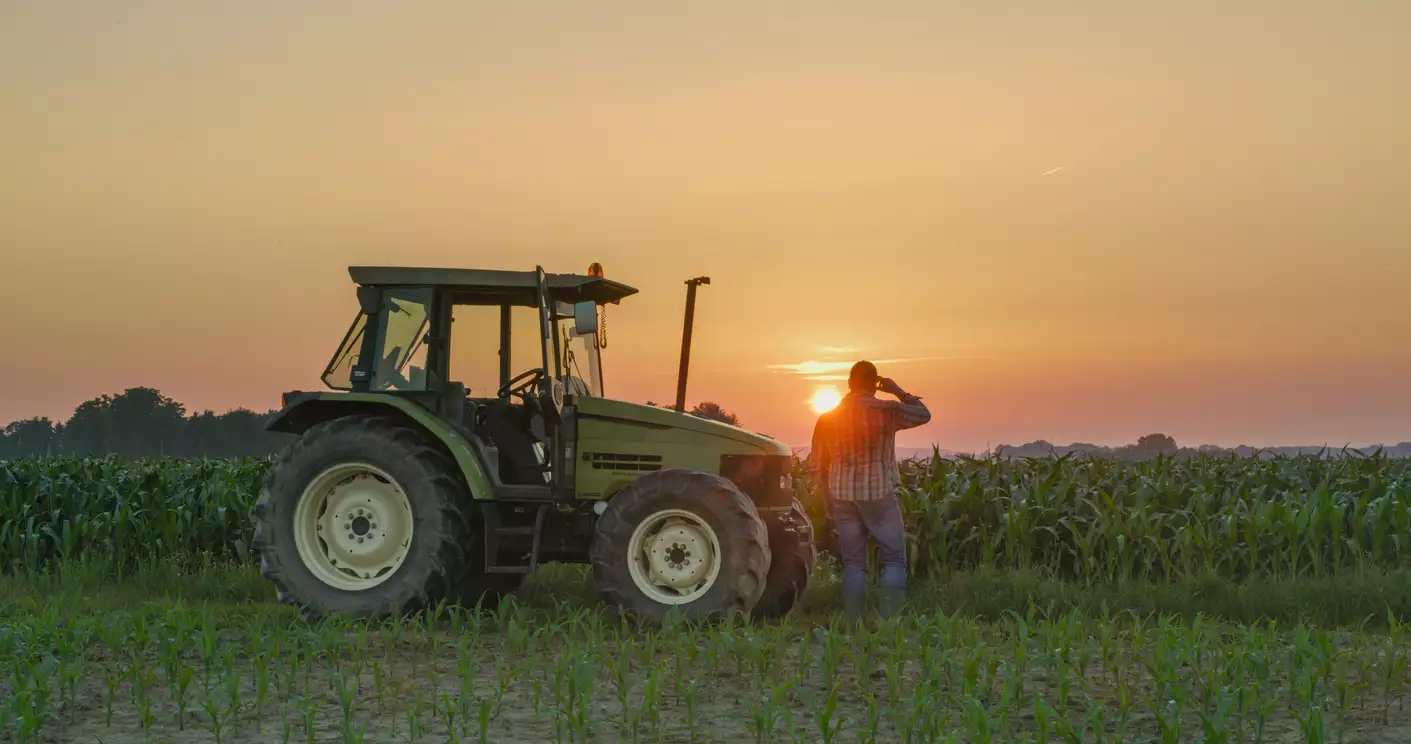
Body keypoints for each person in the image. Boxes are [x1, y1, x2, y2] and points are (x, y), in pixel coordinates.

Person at [809, 361, 931, 619]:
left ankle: (854, 625)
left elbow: (817, 466)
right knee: (894, 559)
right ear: (875, 383)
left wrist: (828, 497)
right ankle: (890, 622)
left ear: (850, 383)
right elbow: (923, 414)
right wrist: (897, 390)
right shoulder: (886, 410)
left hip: (842, 496)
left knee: (854, 564)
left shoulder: (828, 418)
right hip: (878, 496)